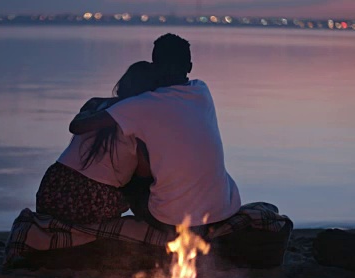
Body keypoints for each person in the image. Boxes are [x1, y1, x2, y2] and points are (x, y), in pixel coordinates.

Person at [69, 33, 241, 234]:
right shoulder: (202, 90)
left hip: (171, 219)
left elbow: (78, 127)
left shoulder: (142, 104)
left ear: (154, 66)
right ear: (190, 67)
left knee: (133, 174)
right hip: (222, 210)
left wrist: (114, 105)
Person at [35, 61, 156, 224]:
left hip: (53, 187)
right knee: (140, 184)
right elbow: (143, 173)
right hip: (92, 199)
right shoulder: (140, 122)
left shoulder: (95, 104)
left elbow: (77, 126)